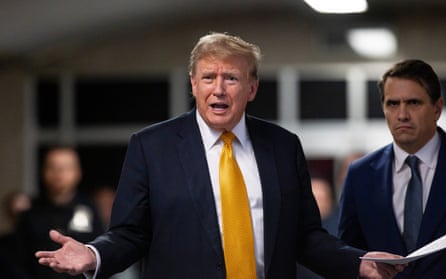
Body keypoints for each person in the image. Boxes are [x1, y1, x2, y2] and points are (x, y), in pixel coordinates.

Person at [36, 32, 404, 279]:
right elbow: (130, 233)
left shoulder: (282, 145)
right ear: (193, 84)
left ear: (252, 88)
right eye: (208, 77)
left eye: (231, 78)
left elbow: (306, 236)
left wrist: (359, 262)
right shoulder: (152, 146)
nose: (219, 88)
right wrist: (94, 254)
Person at [338, 59, 446, 278]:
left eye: (413, 103)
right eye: (392, 104)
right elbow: (348, 258)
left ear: (437, 108)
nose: (402, 115)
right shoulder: (360, 174)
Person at [17, 146, 104, 279]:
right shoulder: (30, 213)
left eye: (66, 167)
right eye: (53, 167)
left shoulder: (90, 210)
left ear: (78, 172)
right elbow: (18, 261)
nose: (59, 173)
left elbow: (101, 257)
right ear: (43, 171)